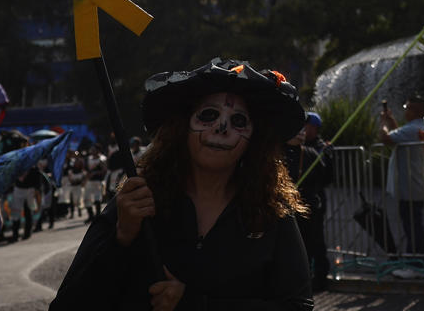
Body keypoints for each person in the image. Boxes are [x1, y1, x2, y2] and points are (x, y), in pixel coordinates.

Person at [51, 57, 312, 311]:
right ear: (183, 126)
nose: (222, 128)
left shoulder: (271, 213)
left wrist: (196, 305)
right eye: (208, 115)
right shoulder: (138, 200)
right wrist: (121, 238)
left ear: (254, 138)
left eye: (238, 121)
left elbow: (297, 305)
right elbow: (68, 304)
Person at [378, 96, 424, 261]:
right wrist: (391, 120)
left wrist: (382, 122)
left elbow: (386, 138)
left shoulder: (413, 129)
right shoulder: (420, 125)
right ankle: (416, 261)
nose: (405, 110)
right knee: (414, 224)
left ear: (416, 111)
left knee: (412, 226)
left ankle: (416, 264)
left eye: (408, 108)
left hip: (410, 185)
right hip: (416, 183)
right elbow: (399, 137)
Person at [285, 113, 331, 291]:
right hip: (287, 208)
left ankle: (318, 279)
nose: (301, 132)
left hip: (309, 207)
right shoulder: (277, 153)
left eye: (302, 129)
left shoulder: (311, 152)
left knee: (315, 243)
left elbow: (326, 178)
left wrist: (328, 158)